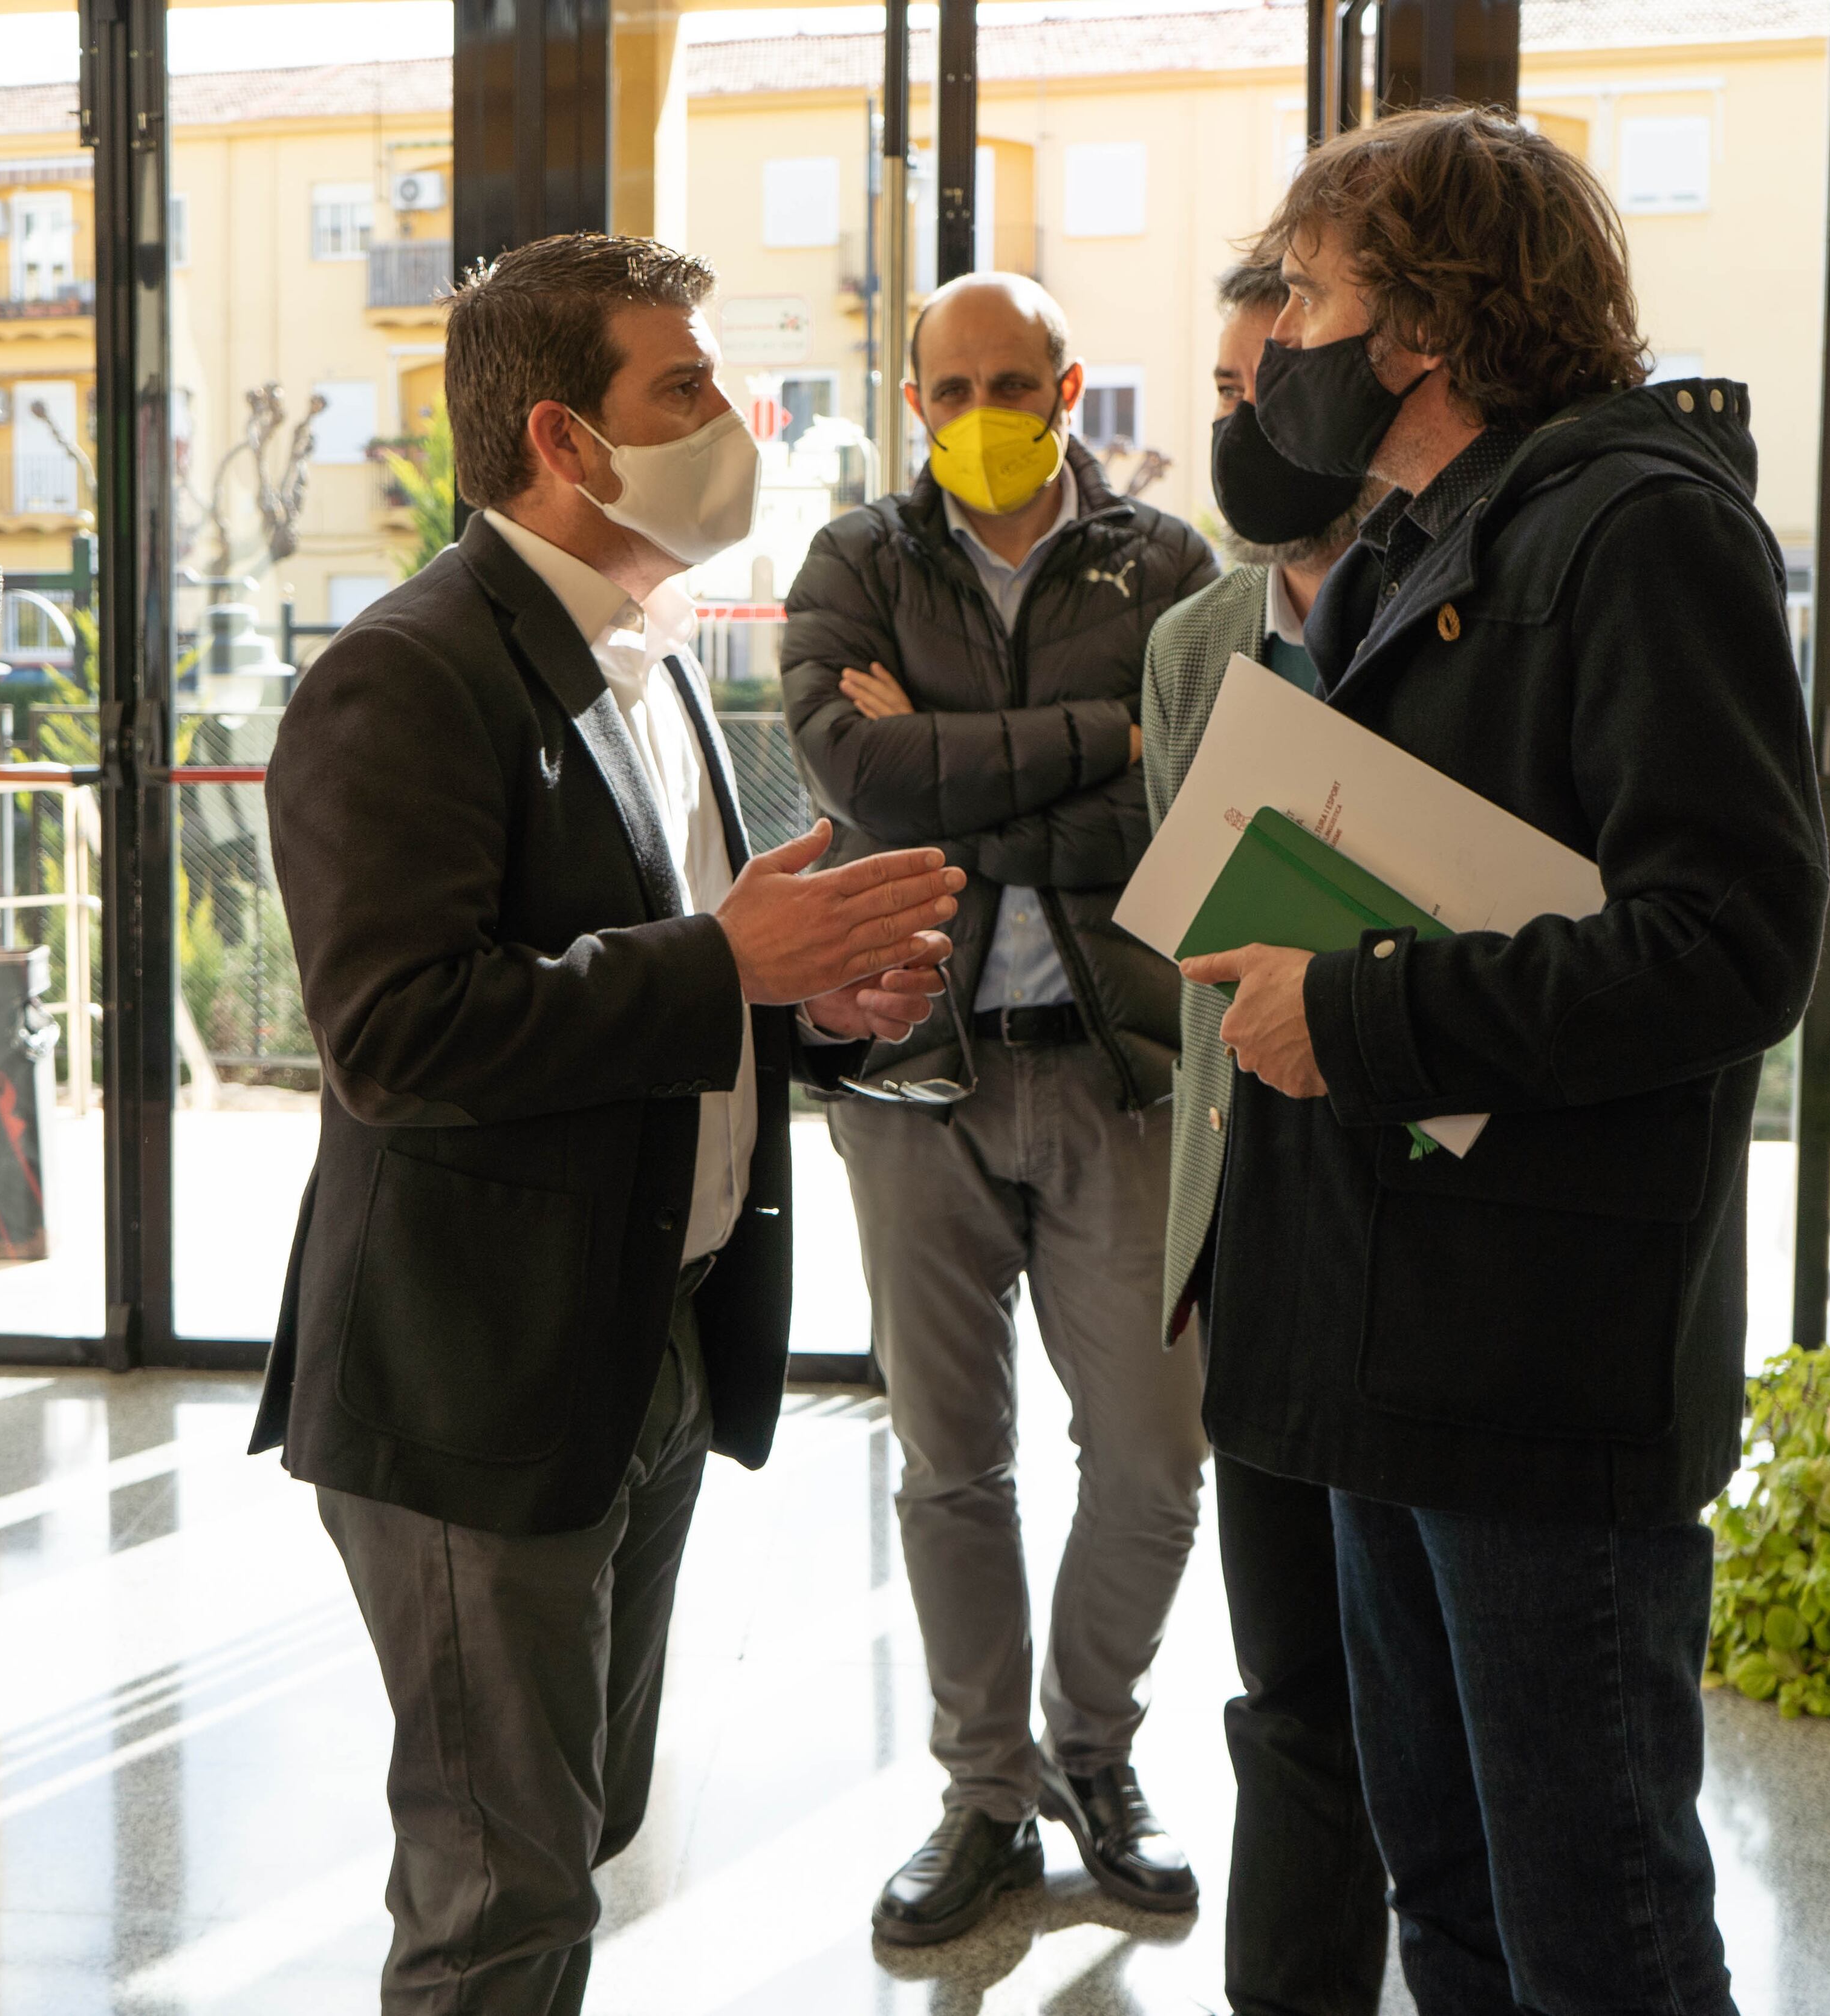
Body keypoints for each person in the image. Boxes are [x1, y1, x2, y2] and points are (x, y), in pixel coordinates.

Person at [253, 232, 963, 2016]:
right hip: (477, 1374)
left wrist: (809, 1010)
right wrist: (728, 963)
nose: (738, 419)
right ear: (565, 440)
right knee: (500, 1897)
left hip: (650, 1335)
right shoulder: (409, 673)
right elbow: (397, 1035)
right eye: (689, 387)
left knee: (578, 1829)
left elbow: (670, 983)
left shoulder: (649, 655)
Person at [1182, 109, 1826, 2014]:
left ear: (1426, 326)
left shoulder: (1645, 531)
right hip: (1395, 1342)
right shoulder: (1416, 541)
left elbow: (1732, 944)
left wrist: (1354, 1012)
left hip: (1539, 1362)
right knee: (1451, 1906)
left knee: (1597, 1931)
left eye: (1309, 293)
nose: (1277, 338)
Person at [781, 270, 1222, 1945]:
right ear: (914, 403)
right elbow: (856, 778)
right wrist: (1100, 741)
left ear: (1067, 388)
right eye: (950, 388)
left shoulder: (1168, 567)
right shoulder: (855, 563)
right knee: (950, 1463)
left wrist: (957, 762)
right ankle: (985, 1795)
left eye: (1011, 383)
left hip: (1125, 1074)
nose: (981, 413)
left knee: (1156, 1460)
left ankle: (1092, 1754)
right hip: (919, 1076)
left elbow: (1190, 797)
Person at [1142, 258, 1389, 2015]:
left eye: (1272, 387)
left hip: (1418, 1198)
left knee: (1434, 1701)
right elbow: (1194, 929)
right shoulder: (1192, 647)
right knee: (1291, 1685)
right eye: (1226, 393)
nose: (1248, 422)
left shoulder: (1450, 610)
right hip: (1253, 1212)